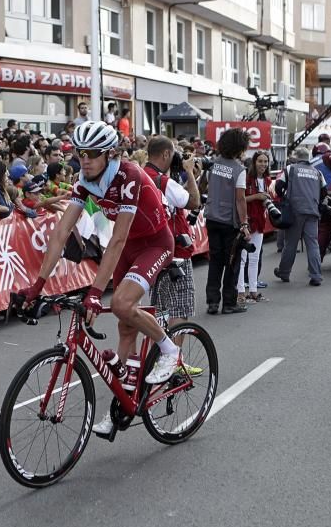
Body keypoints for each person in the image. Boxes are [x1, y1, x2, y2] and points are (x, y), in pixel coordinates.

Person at [16, 122, 181, 432]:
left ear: (109, 154)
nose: (85, 160)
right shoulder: (84, 182)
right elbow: (61, 232)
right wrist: (36, 286)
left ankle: (170, 350)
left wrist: (94, 291)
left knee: (120, 303)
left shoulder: (128, 175)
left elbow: (116, 239)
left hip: (155, 243)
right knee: (125, 326)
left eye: (92, 154)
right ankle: (124, 403)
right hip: (129, 247)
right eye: (81, 153)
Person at [144, 137, 201, 323]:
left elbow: (175, 199)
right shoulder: (163, 182)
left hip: (151, 253)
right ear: (166, 154)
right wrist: (190, 173)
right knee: (179, 310)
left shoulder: (141, 176)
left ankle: (158, 351)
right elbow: (194, 202)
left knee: (160, 310)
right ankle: (173, 353)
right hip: (175, 252)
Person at [203, 128, 251, 315]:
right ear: (240, 147)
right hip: (230, 222)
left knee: (215, 260)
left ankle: (212, 302)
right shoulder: (239, 170)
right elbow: (240, 199)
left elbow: (205, 186)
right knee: (231, 262)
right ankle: (229, 303)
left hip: (212, 218)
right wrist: (244, 223)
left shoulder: (213, 165)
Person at [274, 147, 326, 286]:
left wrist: (284, 197)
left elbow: (278, 186)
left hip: (294, 210)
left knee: (290, 243)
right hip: (312, 211)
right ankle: (316, 276)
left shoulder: (291, 169)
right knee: (313, 244)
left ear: (296, 157)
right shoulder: (317, 172)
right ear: (308, 157)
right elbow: (324, 192)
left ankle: (284, 272)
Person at [237, 150, 270, 302]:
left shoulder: (267, 179)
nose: (263, 164)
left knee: (255, 257)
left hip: (260, 221)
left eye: (265, 161)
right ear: (254, 162)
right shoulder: (246, 177)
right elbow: (240, 198)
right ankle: (240, 292)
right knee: (242, 258)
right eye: (260, 161)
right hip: (247, 220)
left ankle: (254, 290)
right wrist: (257, 196)